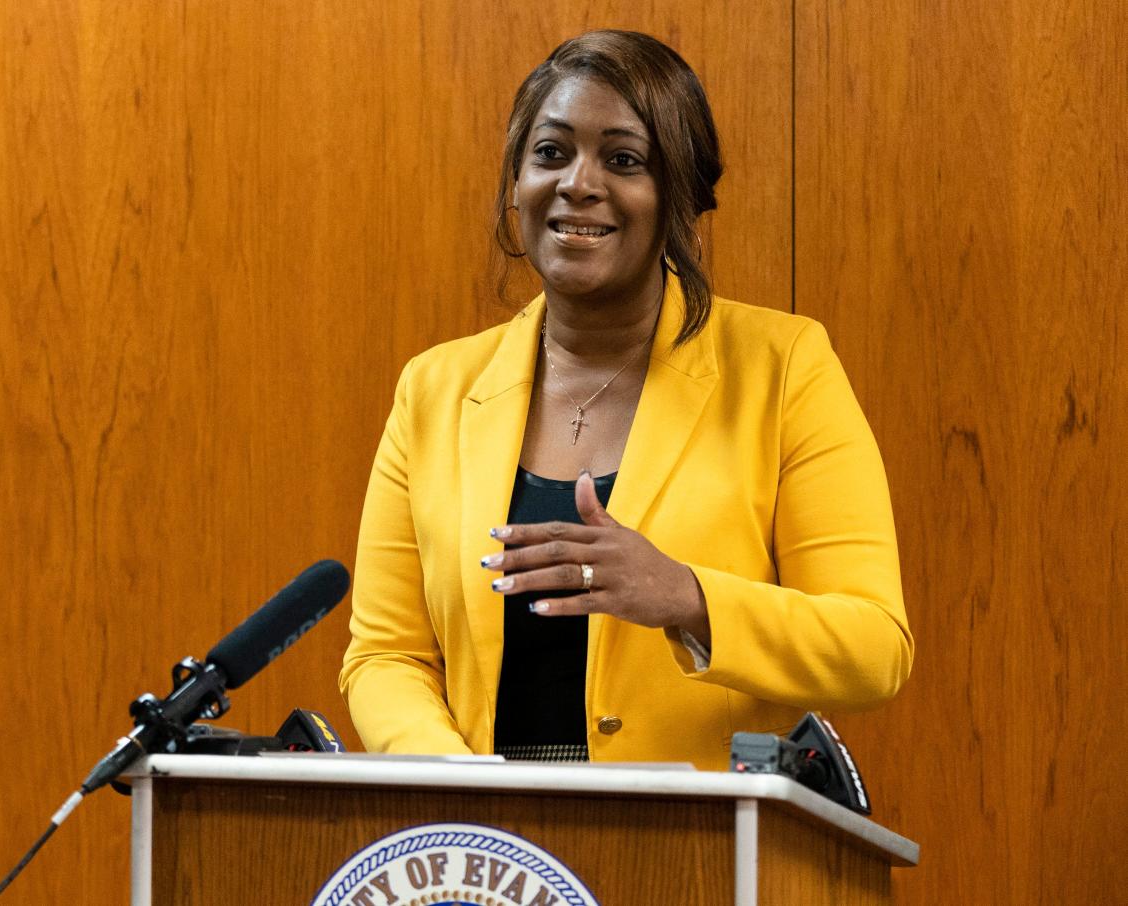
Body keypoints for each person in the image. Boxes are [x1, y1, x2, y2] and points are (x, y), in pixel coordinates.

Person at [339, 30, 912, 770]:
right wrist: (459, 780)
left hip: (698, 850)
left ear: (678, 195)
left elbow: (873, 648)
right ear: (517, 182)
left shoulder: (784, 368)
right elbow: (386, 655)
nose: (579, 182)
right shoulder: (434, 390)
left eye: (623, 159)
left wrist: (685, 597)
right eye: (550, 153)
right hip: (496, 859)